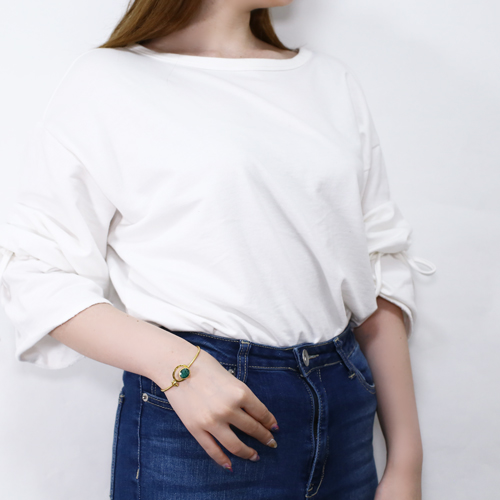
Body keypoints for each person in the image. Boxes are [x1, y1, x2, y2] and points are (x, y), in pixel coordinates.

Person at [0, 1, 437, 499]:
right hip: (206, 426)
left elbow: (378, 265)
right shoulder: (108, 80)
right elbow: (36, 269)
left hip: (345, 413)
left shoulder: (329, 81)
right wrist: (180, 368)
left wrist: (406, 462)